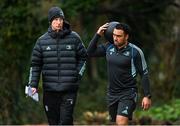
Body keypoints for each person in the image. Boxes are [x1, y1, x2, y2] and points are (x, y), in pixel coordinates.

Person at [27, 6, 87, 125]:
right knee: (53, 122)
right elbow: (35, 65)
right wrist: (32, 85)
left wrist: (77, 74)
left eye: (61, 19)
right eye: (55, 20)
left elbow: (83, 57)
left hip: (69, 89)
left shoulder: (74, 38)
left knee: (64, 121)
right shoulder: (41, 41)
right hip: (50, 90)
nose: (59, 22)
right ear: (50, 22)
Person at [87, 22, 151, 125]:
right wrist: (98, 34)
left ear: (126, 36)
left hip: (128, 93)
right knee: (115, 123)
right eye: (114, 35)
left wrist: (147, 96)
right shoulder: (109, 47)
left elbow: (144, 73)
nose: (115, 38)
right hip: (112, 94)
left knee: (121, 122)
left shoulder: (135, 52)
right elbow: (89, 52)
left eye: (119, 36)